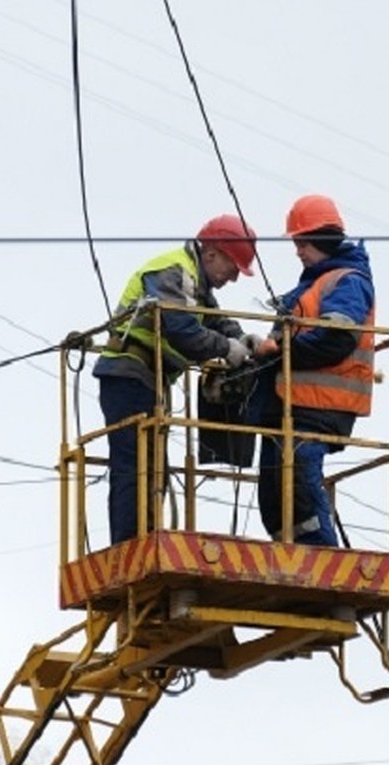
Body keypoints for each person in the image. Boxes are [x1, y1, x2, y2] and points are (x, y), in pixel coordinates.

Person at [93, 214, 258, 545]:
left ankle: (144, 537)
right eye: (232, 267)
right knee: (136, 464)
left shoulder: (194, 281)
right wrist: (230, 349)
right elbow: (183, 331)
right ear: (211, 253)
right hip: (129, 375)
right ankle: (130, 545)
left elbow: (214, 319)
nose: (233, 278)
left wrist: (243, 339)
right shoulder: (174, 271)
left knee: (150, 466)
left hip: (147, 380)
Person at [252, 194, 375, 546]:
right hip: (291, 406)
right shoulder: (311, 286)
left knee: (300, 481)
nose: (297, 250)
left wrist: (282, 351)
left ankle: (323, 558)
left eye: (301, 241)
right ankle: (289, 557)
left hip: (322, 406)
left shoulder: (347, 282)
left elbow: (335, 339)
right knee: (273, 497)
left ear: (321, 239)